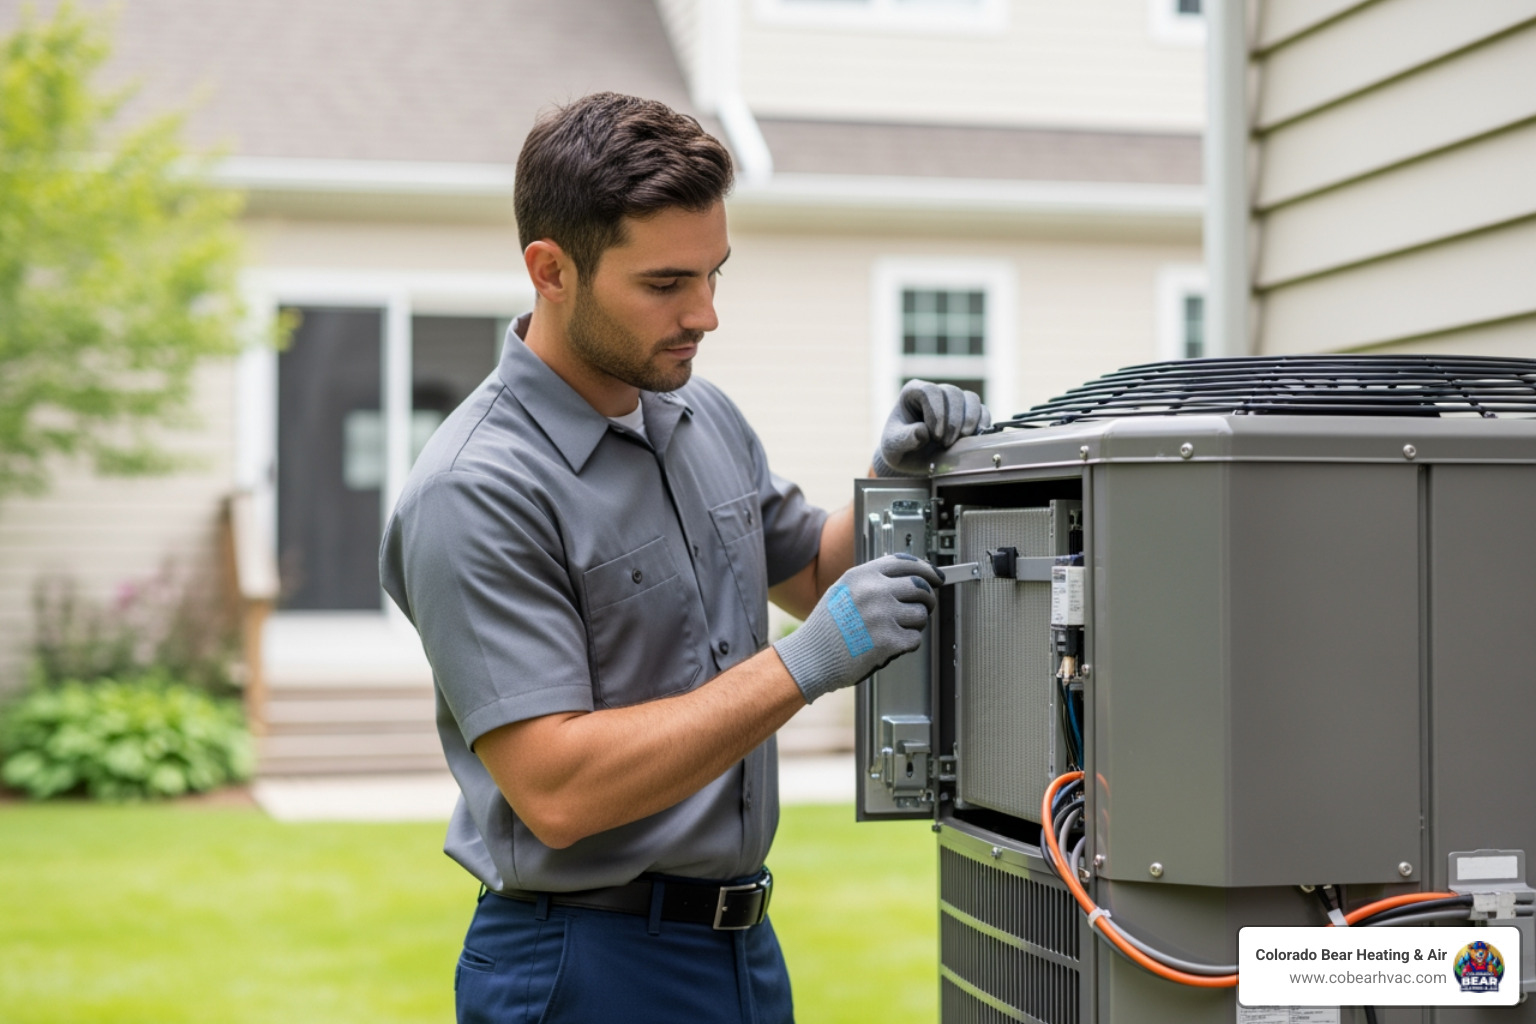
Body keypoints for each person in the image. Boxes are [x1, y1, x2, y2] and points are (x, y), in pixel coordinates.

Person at [379, 91, 989, 1024]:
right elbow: (558, 788)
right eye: (666, 284)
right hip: (584, 965)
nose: (705, 314)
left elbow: (814, 579)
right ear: (551, 270)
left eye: (715, 274)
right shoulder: (477, 489)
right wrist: (807, 665)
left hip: (742, 950)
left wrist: (891, 474)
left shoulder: (702, 418)